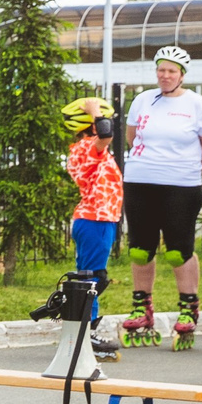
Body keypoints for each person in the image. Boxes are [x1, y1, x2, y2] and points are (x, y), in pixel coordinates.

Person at [119, 46, 202, 349]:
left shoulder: (197, 104)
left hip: (181, 184)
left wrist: (190, 168)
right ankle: (142, 308)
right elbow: (131, 136)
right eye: (161, 70)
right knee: (140, 249)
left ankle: (188, 307)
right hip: (140, 180)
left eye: (171, 71)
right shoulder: (142, 100)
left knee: (178, 250)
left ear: (182, 75)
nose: (165, 76)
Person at [57, 95, 124, 350]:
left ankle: (80, 327)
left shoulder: (83, 149)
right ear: (90, 127)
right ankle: (86, 331)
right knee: (93, 280)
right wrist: (96, 111)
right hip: (95, 219)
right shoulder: (88, 147)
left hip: (98, 219)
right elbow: (106, 134)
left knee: (91, 278)